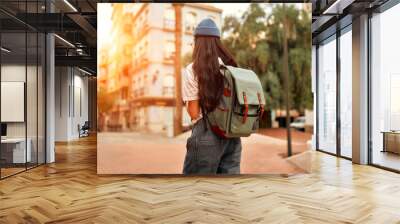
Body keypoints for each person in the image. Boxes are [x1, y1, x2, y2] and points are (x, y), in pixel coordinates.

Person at [182, 18, 242, 175]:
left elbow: (194, 113)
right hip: (233, 137)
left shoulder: (193, 69)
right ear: (217, 42)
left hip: (206, 133)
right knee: (226, 192)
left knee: (194, 191)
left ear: (197, 43)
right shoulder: (231, 67)